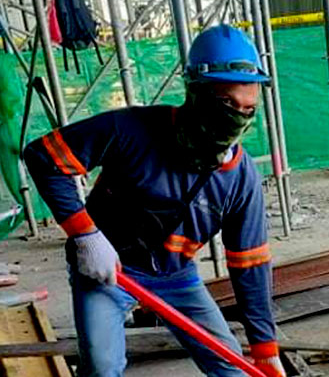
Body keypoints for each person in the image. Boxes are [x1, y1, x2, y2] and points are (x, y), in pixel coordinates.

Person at [24, 25, 286, 377]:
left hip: (176, 275)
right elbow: (43, 157)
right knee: (102, 369)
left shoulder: (241, 178)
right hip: (110, 272)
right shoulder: (131, 130)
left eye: (247, 108)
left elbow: (250, 265)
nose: (236, 117)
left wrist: (265, 349)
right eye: (225, 103)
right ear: (195, 92)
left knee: (232, 370)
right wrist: (85, 234)